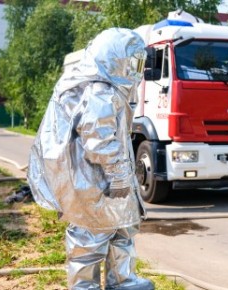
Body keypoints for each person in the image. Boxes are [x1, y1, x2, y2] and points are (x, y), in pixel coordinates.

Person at [27, 28, 153, 290]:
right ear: (115, 58)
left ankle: (123, 280)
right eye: (133, 62)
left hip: (106, 182)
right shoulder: (99, 90)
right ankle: (85, 286)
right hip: (95, 181)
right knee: (90, 237)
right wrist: (118, 175)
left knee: (121, 229)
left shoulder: (109, 88)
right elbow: (98, 140)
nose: (136, 70)